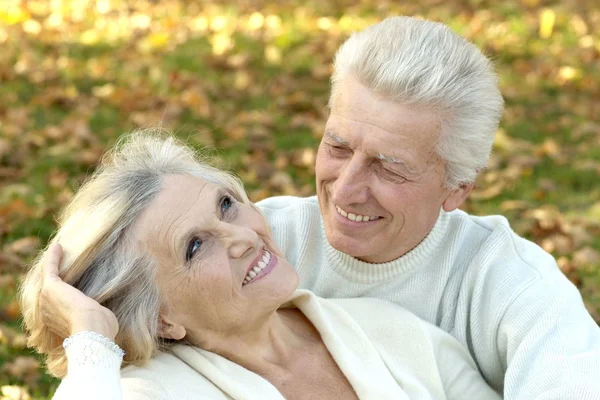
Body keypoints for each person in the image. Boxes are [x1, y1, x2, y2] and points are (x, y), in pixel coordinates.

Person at [255, 16, 600, 399]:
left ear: (457, 188)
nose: (346, 190)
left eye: (389, 168)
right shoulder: (253, 240)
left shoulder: (512, 282)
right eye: (338, 147)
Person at [20, 132, 502, 399]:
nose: (242, 237)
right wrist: (90, 338)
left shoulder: (387, 329)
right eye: (194, 246)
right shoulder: (154, 392)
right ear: (163, 316)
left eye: (226, 204)